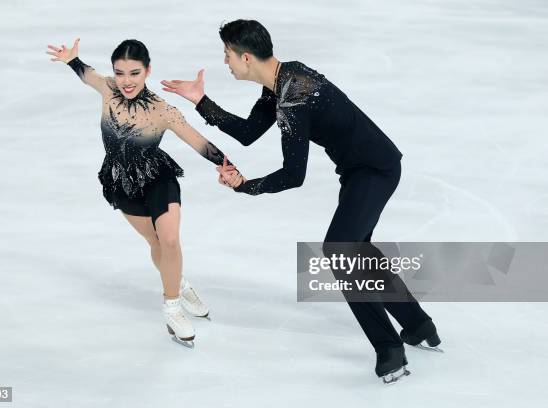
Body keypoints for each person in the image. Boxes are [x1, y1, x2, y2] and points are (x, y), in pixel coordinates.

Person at [161, 20, 442, 381]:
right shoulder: (281, 81)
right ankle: (418, 325)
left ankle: (389, 348)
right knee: (359, 250)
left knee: (340, 250)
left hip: (376, 170)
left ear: (246, 57)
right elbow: (248, 133)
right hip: (361, 171)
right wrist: (201, 101)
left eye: (228, 55)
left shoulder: (294, 97)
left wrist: (246, 186)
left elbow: (294, 176)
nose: (226, 63)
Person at [46, 38, 244, 348]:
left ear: (148, 70)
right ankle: (178, 282)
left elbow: (198, 141)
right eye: (120, 72)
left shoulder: (163, 110)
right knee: (155, 242)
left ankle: (172, 307)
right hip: (121, 182)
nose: (126, 81)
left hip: (157, 178)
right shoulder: (107, 88)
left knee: (169, 239)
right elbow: (86, 73)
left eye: (134, 73)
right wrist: (72, 60)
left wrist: (227, 166)